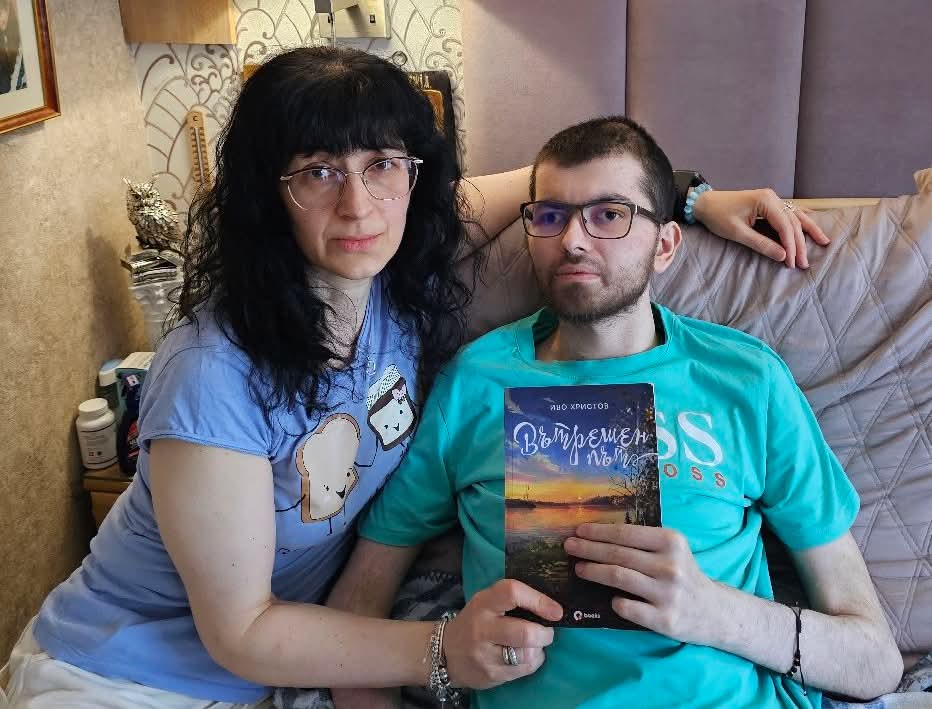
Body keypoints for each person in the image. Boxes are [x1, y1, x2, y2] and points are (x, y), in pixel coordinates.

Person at [0, 46, 828, 708]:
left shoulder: (394, 279)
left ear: (413, 176)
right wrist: (442, 650)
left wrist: (692, 199)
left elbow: (562, 192)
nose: (358, 204)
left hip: (278, 672)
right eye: (317, 171)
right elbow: (241, 631)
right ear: (267, 194)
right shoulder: (211, 372)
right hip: (122, 677)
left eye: (382, 165)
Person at [329, 116, 903, 709]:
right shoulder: (474, 382)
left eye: (609, 215)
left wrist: (711, 611)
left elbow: (875, 660)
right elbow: (357, 607)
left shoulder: (746, 379)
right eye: (550, 216)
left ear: (665, 245)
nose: (573, 240)